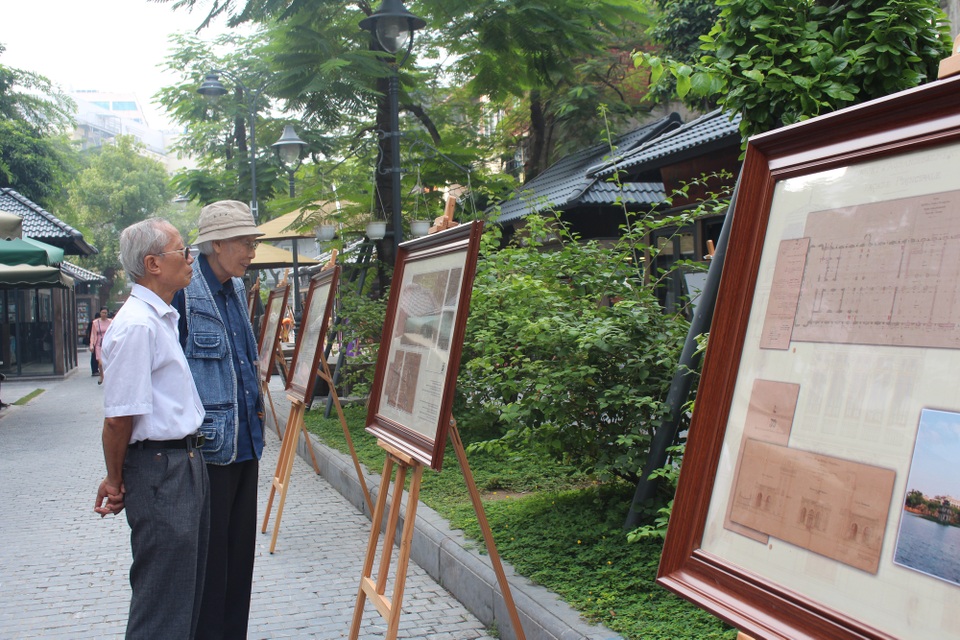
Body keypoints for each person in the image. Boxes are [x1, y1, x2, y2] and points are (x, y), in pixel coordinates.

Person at [94, 218, 209, 639]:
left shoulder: (159, 318)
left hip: (182, 462)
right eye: (183, 251)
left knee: (184, 592)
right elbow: (118, 418)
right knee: (162, 602)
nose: (190, 260)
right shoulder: (137, 324)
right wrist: (114, 478)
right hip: (162, 469)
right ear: (153, 263)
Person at [173, 200, 264, 640]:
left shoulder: (234, 291)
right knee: (211, 568)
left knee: (239, 560)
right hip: (208, 454)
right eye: (245, 242)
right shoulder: (184, 296)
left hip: (246, 445)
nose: (251, 251)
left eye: (252, 242)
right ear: (217, 243)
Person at [89, 306, 111, 384]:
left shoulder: (111, 322)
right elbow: (93, 334)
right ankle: (102, 375)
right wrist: (91, 344)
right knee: (100, 362)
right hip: (99, 343)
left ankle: (108, 376)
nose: (104, 314)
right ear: (100, 313)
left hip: (108, 343)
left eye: (105, 313)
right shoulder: (95, 323)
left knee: (108, 361)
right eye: (102, 313)